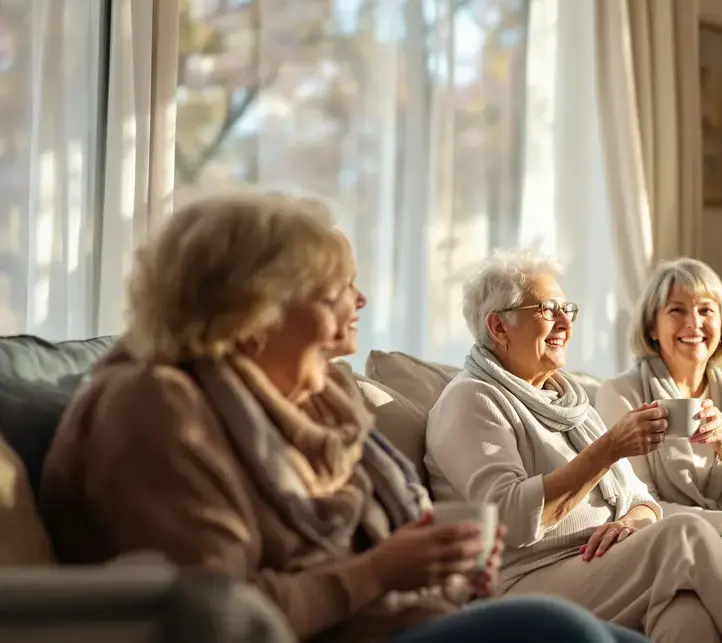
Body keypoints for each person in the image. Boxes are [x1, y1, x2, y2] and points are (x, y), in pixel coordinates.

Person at [38, 193, 648, 643]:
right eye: (334, 289)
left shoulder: (317, 403)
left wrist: (448, 571)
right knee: (560, 632)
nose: (358, 303)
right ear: (257, 307)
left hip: (395, 620)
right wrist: (382, 569)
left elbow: (382, 558)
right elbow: (216, 613)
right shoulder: (155, 408)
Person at [424, 250, 722, 643]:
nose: (565, 321)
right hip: (522, 580)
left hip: (595, 565)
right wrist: (608, 449)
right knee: (685, 534)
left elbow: (641, 498)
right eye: (547, 309)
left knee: (686, 612)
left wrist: (632, 522)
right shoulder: (472, 399)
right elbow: (510, 518)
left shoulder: (569, 402)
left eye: (566, 308)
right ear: (498, 326)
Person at [596, 257, 722, 624]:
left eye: (706, 310)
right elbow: (636, 503)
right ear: (652, 327)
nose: (694, 323)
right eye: (677, 310)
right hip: (668, 544)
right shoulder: (622, 394)